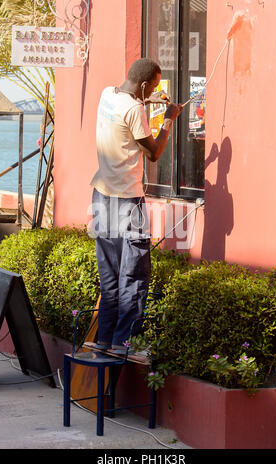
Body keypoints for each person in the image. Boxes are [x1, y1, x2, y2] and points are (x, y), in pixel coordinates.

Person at [89, 58, 182, 354]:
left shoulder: (108, 94)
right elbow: (153, 153)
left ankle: (104, 342)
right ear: (144, 85)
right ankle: (122, 347)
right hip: (129, 202)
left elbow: (126, 117)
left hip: (102, 197)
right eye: (153, 86)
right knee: (134, 277)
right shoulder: (135, 109)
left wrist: (147, 98)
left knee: (110, 276)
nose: (154, 91)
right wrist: (168, 118)